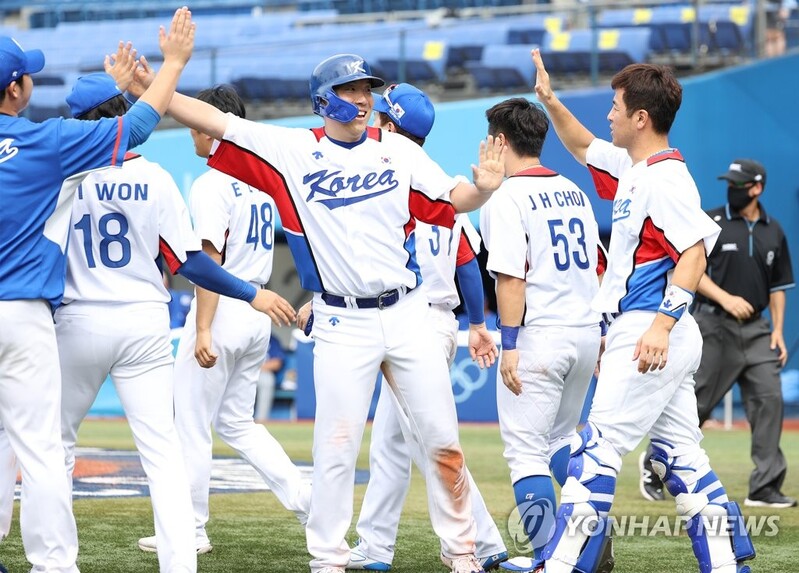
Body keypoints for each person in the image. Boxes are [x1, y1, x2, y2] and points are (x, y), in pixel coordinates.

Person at [141, 52, 506, 573]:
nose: (362, 99)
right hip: (342, 318)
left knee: (443, 439)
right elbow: (215, 121)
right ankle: (328, 559)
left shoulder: (398, 151)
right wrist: (156, 85)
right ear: (323, 99)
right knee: (336, 449)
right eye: (350, 90)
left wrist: (485, 188)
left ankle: (463, 554)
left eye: (367, 91)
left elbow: (454, 198)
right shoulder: (293, 149)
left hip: (408, 312)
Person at [56, 65, 296, 572]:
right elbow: (186, 261)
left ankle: (55, 561)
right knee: (165, 449)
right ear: (125, 114)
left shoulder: (62, 175)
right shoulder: (160, 176)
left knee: (53, 443)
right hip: (146, 322)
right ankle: (181, 559)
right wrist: (251, 292)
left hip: (80, 318)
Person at [530, 48, 756, 573]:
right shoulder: (636, 168)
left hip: (652, 329)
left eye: (614, 105)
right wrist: (549, 100)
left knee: (598, 450)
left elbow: (695, 252)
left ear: (641, 118)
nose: (607, 114)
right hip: (656, 332)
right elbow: (583, 145)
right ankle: (726, 565)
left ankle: (561, 565)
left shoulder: (665, 179)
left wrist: (660, 323)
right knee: (682, 457)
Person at [0, 10, 194, 572]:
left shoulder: (53, 148)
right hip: (29, 314)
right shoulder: (45, 143)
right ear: (16, 89)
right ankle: (54, 565)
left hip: (73, 321)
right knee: (41, 450)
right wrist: (172, 64)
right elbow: (134, 130)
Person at [326, 83, 507, 572]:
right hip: (429, 319)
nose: (371, 118)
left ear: (391, 125)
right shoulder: (443, 182)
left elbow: (466, 263)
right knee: (392, 442)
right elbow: (467, 262)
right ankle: (376, 547)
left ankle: (484, 544)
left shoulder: (384, 176)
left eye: (380, 114)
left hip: (412, 320)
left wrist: (476, 325)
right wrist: (476, 323)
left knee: (431, 441)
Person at [137, 84, 311, 556]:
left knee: (190, 424)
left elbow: (209, 260)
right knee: (238, 424)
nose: (191, 129)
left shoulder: (213, 182)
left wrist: (202, 329)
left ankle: (190, 529)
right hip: (257, 310)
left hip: (227, 306)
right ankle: (306, 500)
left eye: (196, 120)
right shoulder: (256, 181)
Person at [478, 97, 606, 573]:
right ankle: (589, 535)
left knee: (525, 450)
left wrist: (508, 345)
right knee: (559, 441)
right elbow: (599, 264)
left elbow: (511, 278)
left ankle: (547, 557)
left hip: (540, 335)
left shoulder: (508, 196)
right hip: (584, 331)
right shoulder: (574, 189)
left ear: (500, 141)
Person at [254, 337, 287, 420]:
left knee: (267, 380)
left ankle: (261, 420)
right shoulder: (245, 337)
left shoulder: (271, 339)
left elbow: (276, 363)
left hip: (262, 372)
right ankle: (238, 421)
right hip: (244, 373)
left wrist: (254, 368)